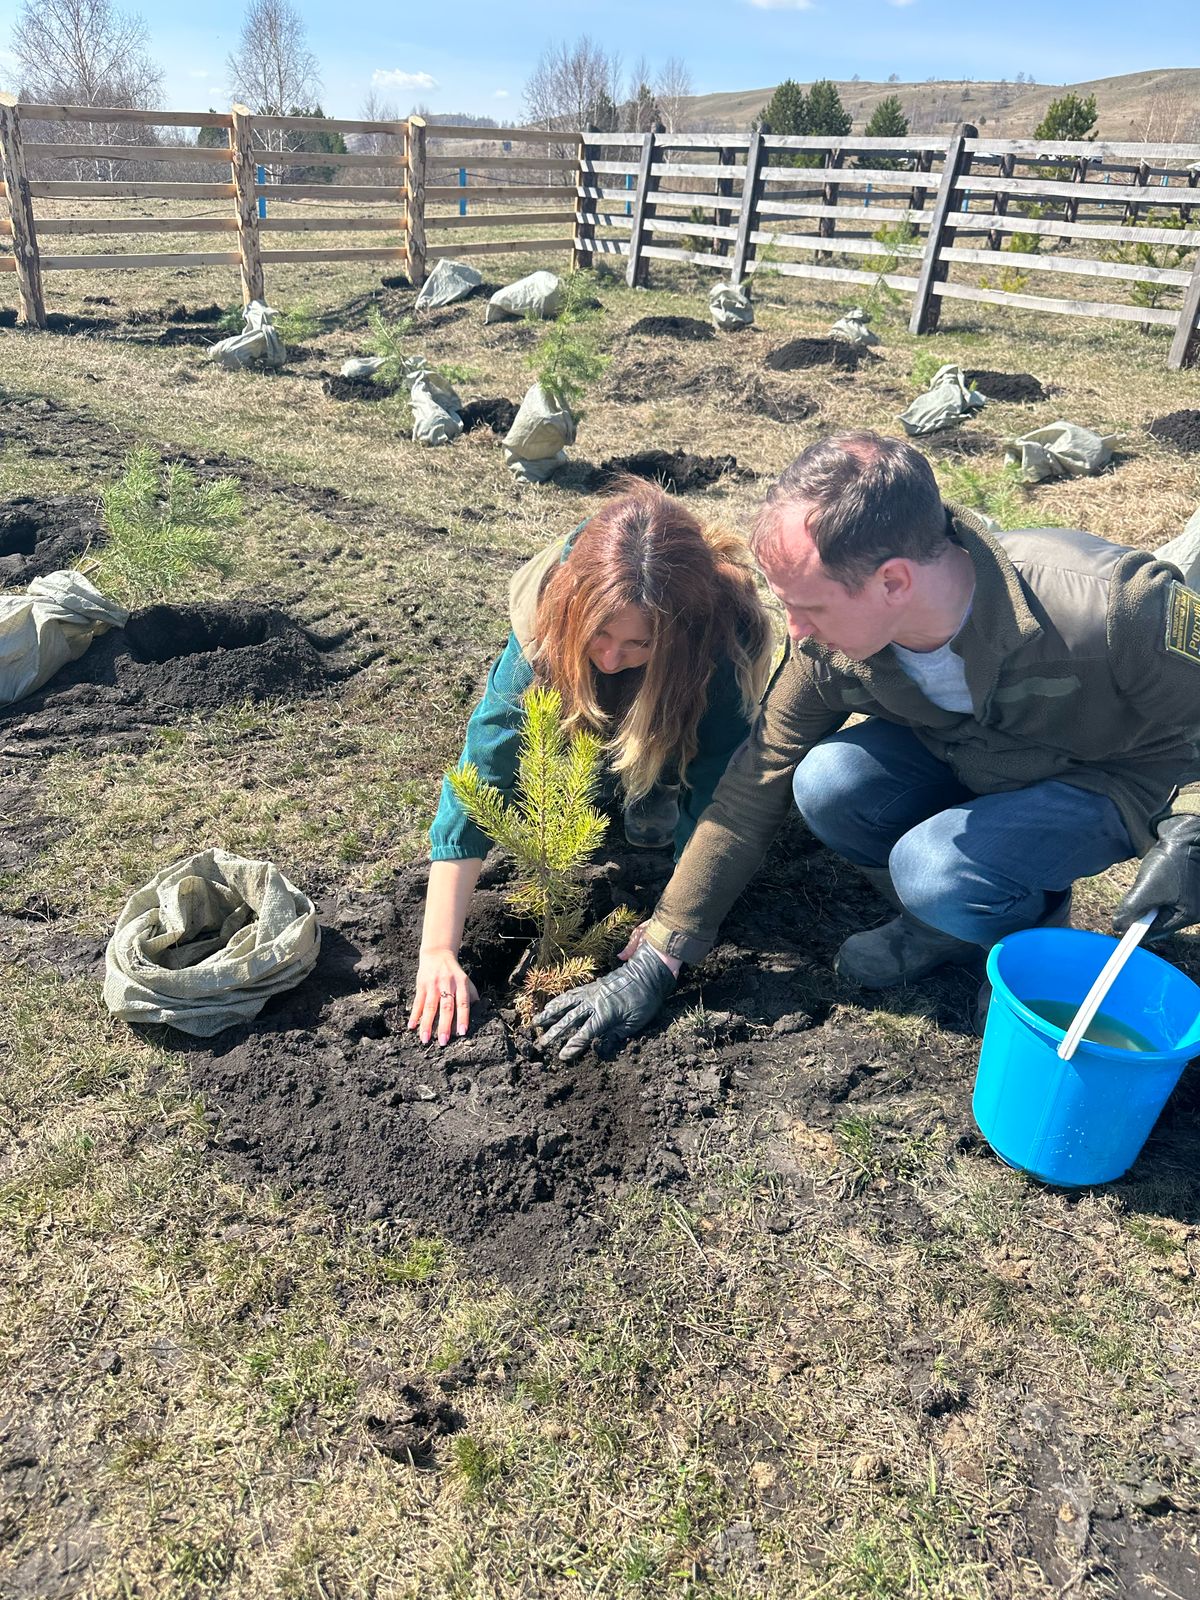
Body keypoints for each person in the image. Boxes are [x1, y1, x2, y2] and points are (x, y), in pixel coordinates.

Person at [537, 430, 1200, 1060]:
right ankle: (945, 925)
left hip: (1106, 782)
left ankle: (1025, 945)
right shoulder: (829, 648)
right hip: (970, 762)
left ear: (893, 582)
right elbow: (755, 779)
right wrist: (662, 951)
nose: (794, 631)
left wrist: (1192, 835)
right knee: (828, 783)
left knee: (934, 867)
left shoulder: (1111, 607)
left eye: (812, 608)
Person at [408, 480, 775, 1046]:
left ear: (674, 636)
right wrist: (438, 949)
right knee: (572, 746)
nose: (610, 657)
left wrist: (670, 931)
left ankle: (655, 778)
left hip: (683, 687)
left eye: (637, 644)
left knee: (674, 772)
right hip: (576, 656)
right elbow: (484, 765)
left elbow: (720, 795)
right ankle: (613, 771)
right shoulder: (548, 611)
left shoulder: (715, 642)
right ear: (575, 607)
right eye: (599, 634)